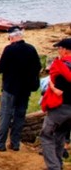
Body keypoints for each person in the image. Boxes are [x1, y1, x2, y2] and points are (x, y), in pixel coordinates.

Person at [0, 26, 42, 151]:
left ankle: (0, 144)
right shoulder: (31, 49)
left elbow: (0, 68)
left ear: (11, 37)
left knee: (5, 115)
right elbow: (38, 66)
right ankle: (15, 143)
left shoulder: (9, 50)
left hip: (10, 87)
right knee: (19, 115)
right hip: (25, 88)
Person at [41, 38, 71, 170]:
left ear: (65, 50)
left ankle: (54, 167)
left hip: (61, 107)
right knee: (60, 135)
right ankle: (58, 164)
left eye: (59, 48)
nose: (58, 51)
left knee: (46, 135)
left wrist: (52, 86)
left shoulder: (61, 66)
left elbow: (59, 91)